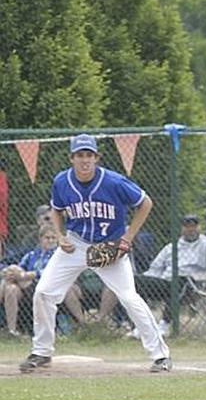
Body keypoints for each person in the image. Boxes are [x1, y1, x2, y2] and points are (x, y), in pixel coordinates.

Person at [19, 134, 171, 373]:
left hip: (109, 249)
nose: (85, 160)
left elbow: (146, 203)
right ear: (72, 158)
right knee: (44, 292)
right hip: (76, 244)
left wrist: (127, 238)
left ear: (97, 158)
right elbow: (57, 211)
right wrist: (60, 237)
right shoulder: (62, 182)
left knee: (129, 297)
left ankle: (161, 356)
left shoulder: (113, 182)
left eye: (89, 155)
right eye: (80, 155)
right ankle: (42, 351)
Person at [137, 214, 206, 334]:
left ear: (199, 227)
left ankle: (164, 325)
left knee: (179, 280)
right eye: (187, 226)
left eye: (194, 226)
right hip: (165, 282)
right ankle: (142, 326)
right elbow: (155, 269)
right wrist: (146, 279)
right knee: (136, 281)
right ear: (181, 229)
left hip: (191, 284)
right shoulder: (171, 247)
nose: (191, 229)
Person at [2, 225, 84, 336]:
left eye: (53, 238)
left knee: (15, 274)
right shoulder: (31, 255)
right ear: (40, 239)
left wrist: (25, 275)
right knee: (10, 285)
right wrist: (17, 274)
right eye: (47, 238)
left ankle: (84, 326)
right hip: (28, 288)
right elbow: (19, 269)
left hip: (50, 286)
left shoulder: (60, 254)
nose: (50, 240)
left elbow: (51, 273)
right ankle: (12, 331)